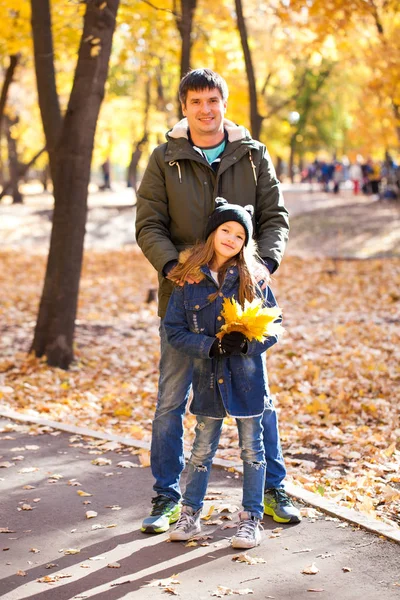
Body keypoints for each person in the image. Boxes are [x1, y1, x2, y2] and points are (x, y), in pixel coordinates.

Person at [135, 68, 300, 535]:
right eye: (195, 102)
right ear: (183, 107)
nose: (205, 110)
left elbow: (276, 216)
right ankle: (167, 496)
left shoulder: (252, 155)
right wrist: (172, 268)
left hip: (244, 299)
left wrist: (264, 263)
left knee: (258, 396)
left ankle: (272, 489)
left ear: (224, 104)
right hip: (185, 301)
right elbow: (149, 223)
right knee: (171, 399)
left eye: (213, 101)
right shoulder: (164, 158)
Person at [164, 199, 280, 548]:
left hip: (246, 381)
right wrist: (208, 347)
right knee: (201, 450)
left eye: (240, 235)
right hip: (207, 380)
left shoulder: (253, 278)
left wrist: (246, 346)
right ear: (213, 232)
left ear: (246, 243)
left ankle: (251, 519)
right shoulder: (187, 281)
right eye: (226, 230)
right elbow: (174, 329)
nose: (231, 238)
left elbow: (274, 327)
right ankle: (190, 514)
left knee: (252, 451)